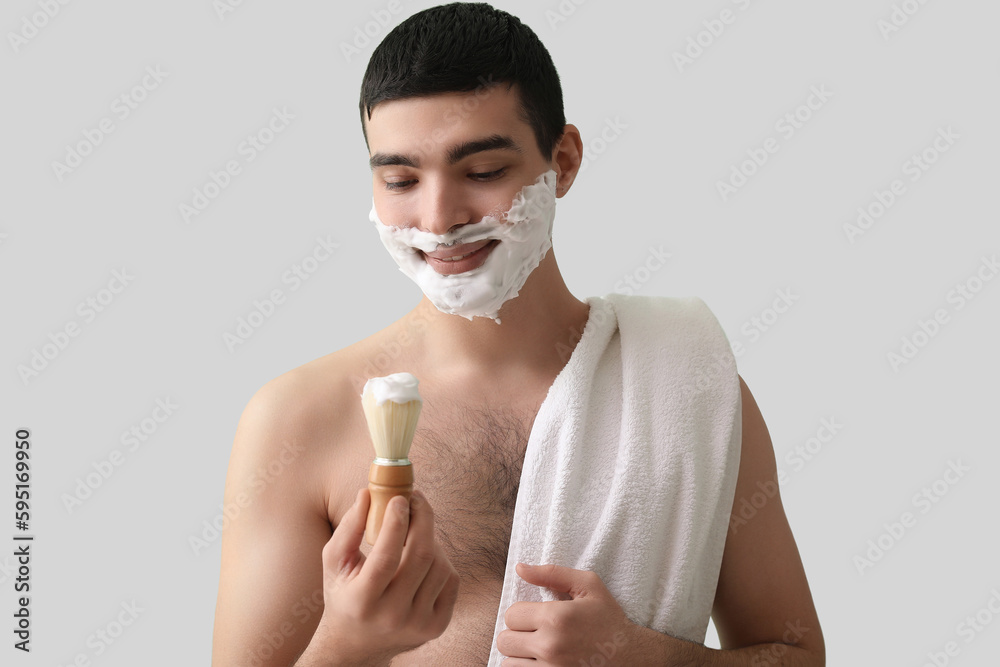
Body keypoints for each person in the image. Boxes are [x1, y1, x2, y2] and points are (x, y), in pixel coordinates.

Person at [211, 3, 825, 665]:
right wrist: (345, 644)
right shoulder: (300, 419)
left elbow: (796, 655)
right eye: (400, 180)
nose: (439, 218)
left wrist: (643, 656)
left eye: (482, 173)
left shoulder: (685, 383)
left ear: (564, 160)